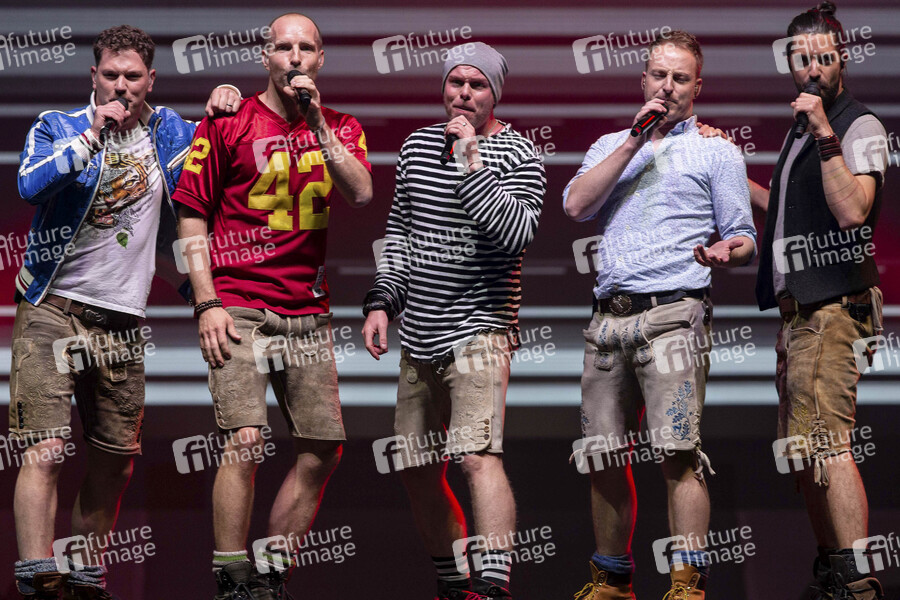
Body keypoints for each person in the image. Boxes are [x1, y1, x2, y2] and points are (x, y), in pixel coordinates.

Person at [10, 24, 240, 600]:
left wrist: (225, 99)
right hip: (52, 308)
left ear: (150, 80)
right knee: (45, 448)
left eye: (132, 77)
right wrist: (92, 134)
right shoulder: (58, 126)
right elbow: (30, 185)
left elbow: (218, 159)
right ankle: (38, 578)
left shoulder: (171, 133)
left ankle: (86, 578)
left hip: (121, 319)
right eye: (110, 75)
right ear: (94, 76)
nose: (120, 86)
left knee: (116, 460)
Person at [172, 13, 372, 600]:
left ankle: (269, 571)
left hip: (307, 310)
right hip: (238, 304)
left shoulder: (342, 126)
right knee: (246, 438)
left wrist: (317, 122)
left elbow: (361, 191)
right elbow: (191, 213)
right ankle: (231, 574)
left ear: (321, 59)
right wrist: (206, 301)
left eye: (306, 48)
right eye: (283, 47)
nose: (295, 57)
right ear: (265, 57)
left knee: (323, 447)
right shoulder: (228, 120)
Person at [563, 31, 756, 599]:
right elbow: (576, 205)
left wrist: (727, 251)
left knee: (678, 451)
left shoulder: (718, 152)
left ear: (697, 87)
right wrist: (633, 140)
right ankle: (612, 581)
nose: (667, 86)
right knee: (601, 455)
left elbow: (743, 235)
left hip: (674, 313)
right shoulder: (609, 145)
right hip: (607, 320)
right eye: (658, 75)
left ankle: (686, 584)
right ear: (643, 80)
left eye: (680, 78)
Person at [362, 42, 545, 600]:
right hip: (420, 331)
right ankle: (453, 580)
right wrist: (382, 301)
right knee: (416, 465)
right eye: (456, 82)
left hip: (481, 328)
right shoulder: (417, 145)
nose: (464, 93)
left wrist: (470, 159)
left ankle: (493, 584)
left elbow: (514, 235)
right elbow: (400, 232)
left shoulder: (518, 152)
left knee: (476, 456)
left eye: (477, 85)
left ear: (495, 94)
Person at [752, 3, 887, 598]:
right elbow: (786, 216)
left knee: (828, 442)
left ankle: (859, 581)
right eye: (801, 59)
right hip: (800, 315)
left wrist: (825, 132)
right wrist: (733, 170)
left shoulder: (861, 126)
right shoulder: (800, 132)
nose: (812, 69)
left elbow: (853, 210)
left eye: (823, 58)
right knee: (803, 450)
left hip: (835, 308)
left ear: (842, 60)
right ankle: (834, 570)